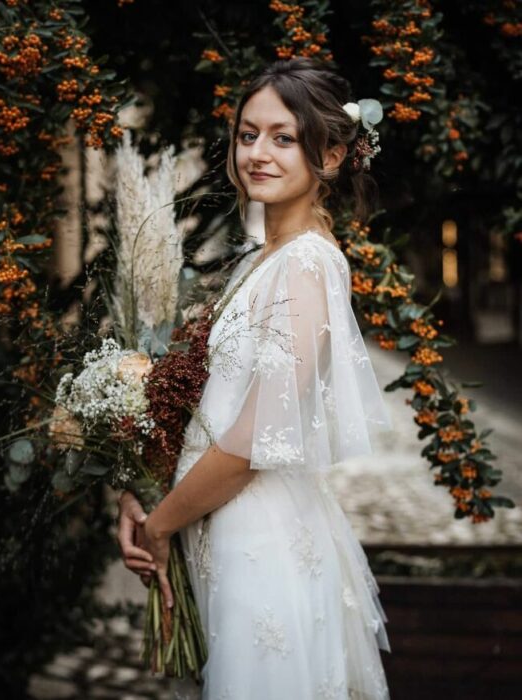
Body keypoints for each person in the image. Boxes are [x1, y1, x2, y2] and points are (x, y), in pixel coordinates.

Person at [117, 57, 394, 699]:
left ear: (329, 152)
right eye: (247, 135)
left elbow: (251, 443)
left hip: (260, 544)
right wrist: (141, 489)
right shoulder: (260, 261)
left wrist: (160, 524)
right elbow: (201, 406)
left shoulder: (308, 265)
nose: (257, 154)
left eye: (283, 137)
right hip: (215, 529)